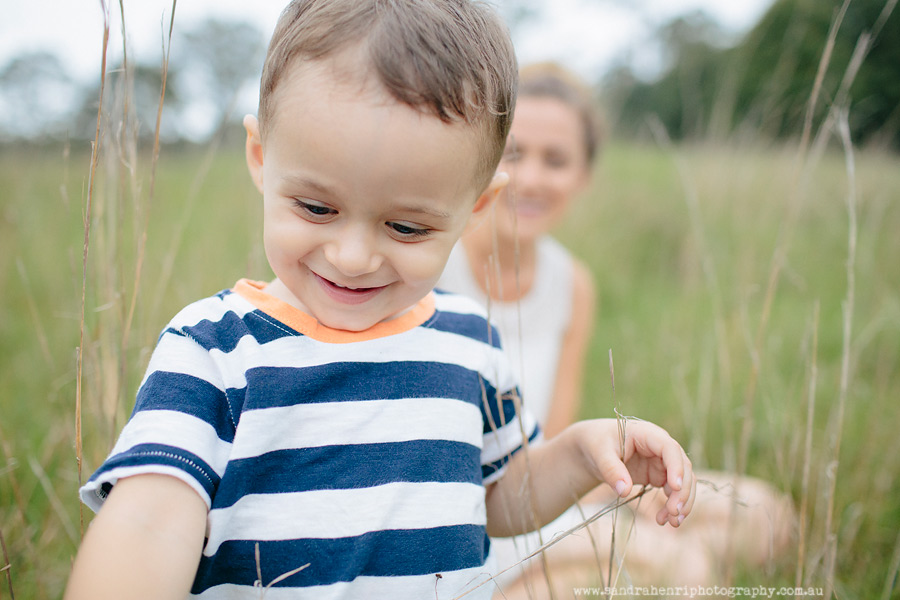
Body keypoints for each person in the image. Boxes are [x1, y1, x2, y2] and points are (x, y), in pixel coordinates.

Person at [63, 3, 698, 600]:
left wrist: (583, 451)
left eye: (407, 228)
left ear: (475, 207)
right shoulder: (215, 349)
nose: (353, 256)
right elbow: (148, 524)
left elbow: (502, 497)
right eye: (316, 208)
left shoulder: (468, 341)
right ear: (261, 157)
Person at [439, 62, 794, 598]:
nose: (532, 177)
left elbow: (554, 433)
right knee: (686, 570)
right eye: (514, 153)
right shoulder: (430, 264)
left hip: (546, 485)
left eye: (555, 160)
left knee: (769, 516)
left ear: (583, 175)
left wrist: (615, 491)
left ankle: (596, 562)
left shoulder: (571, 282)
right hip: (473, 514)